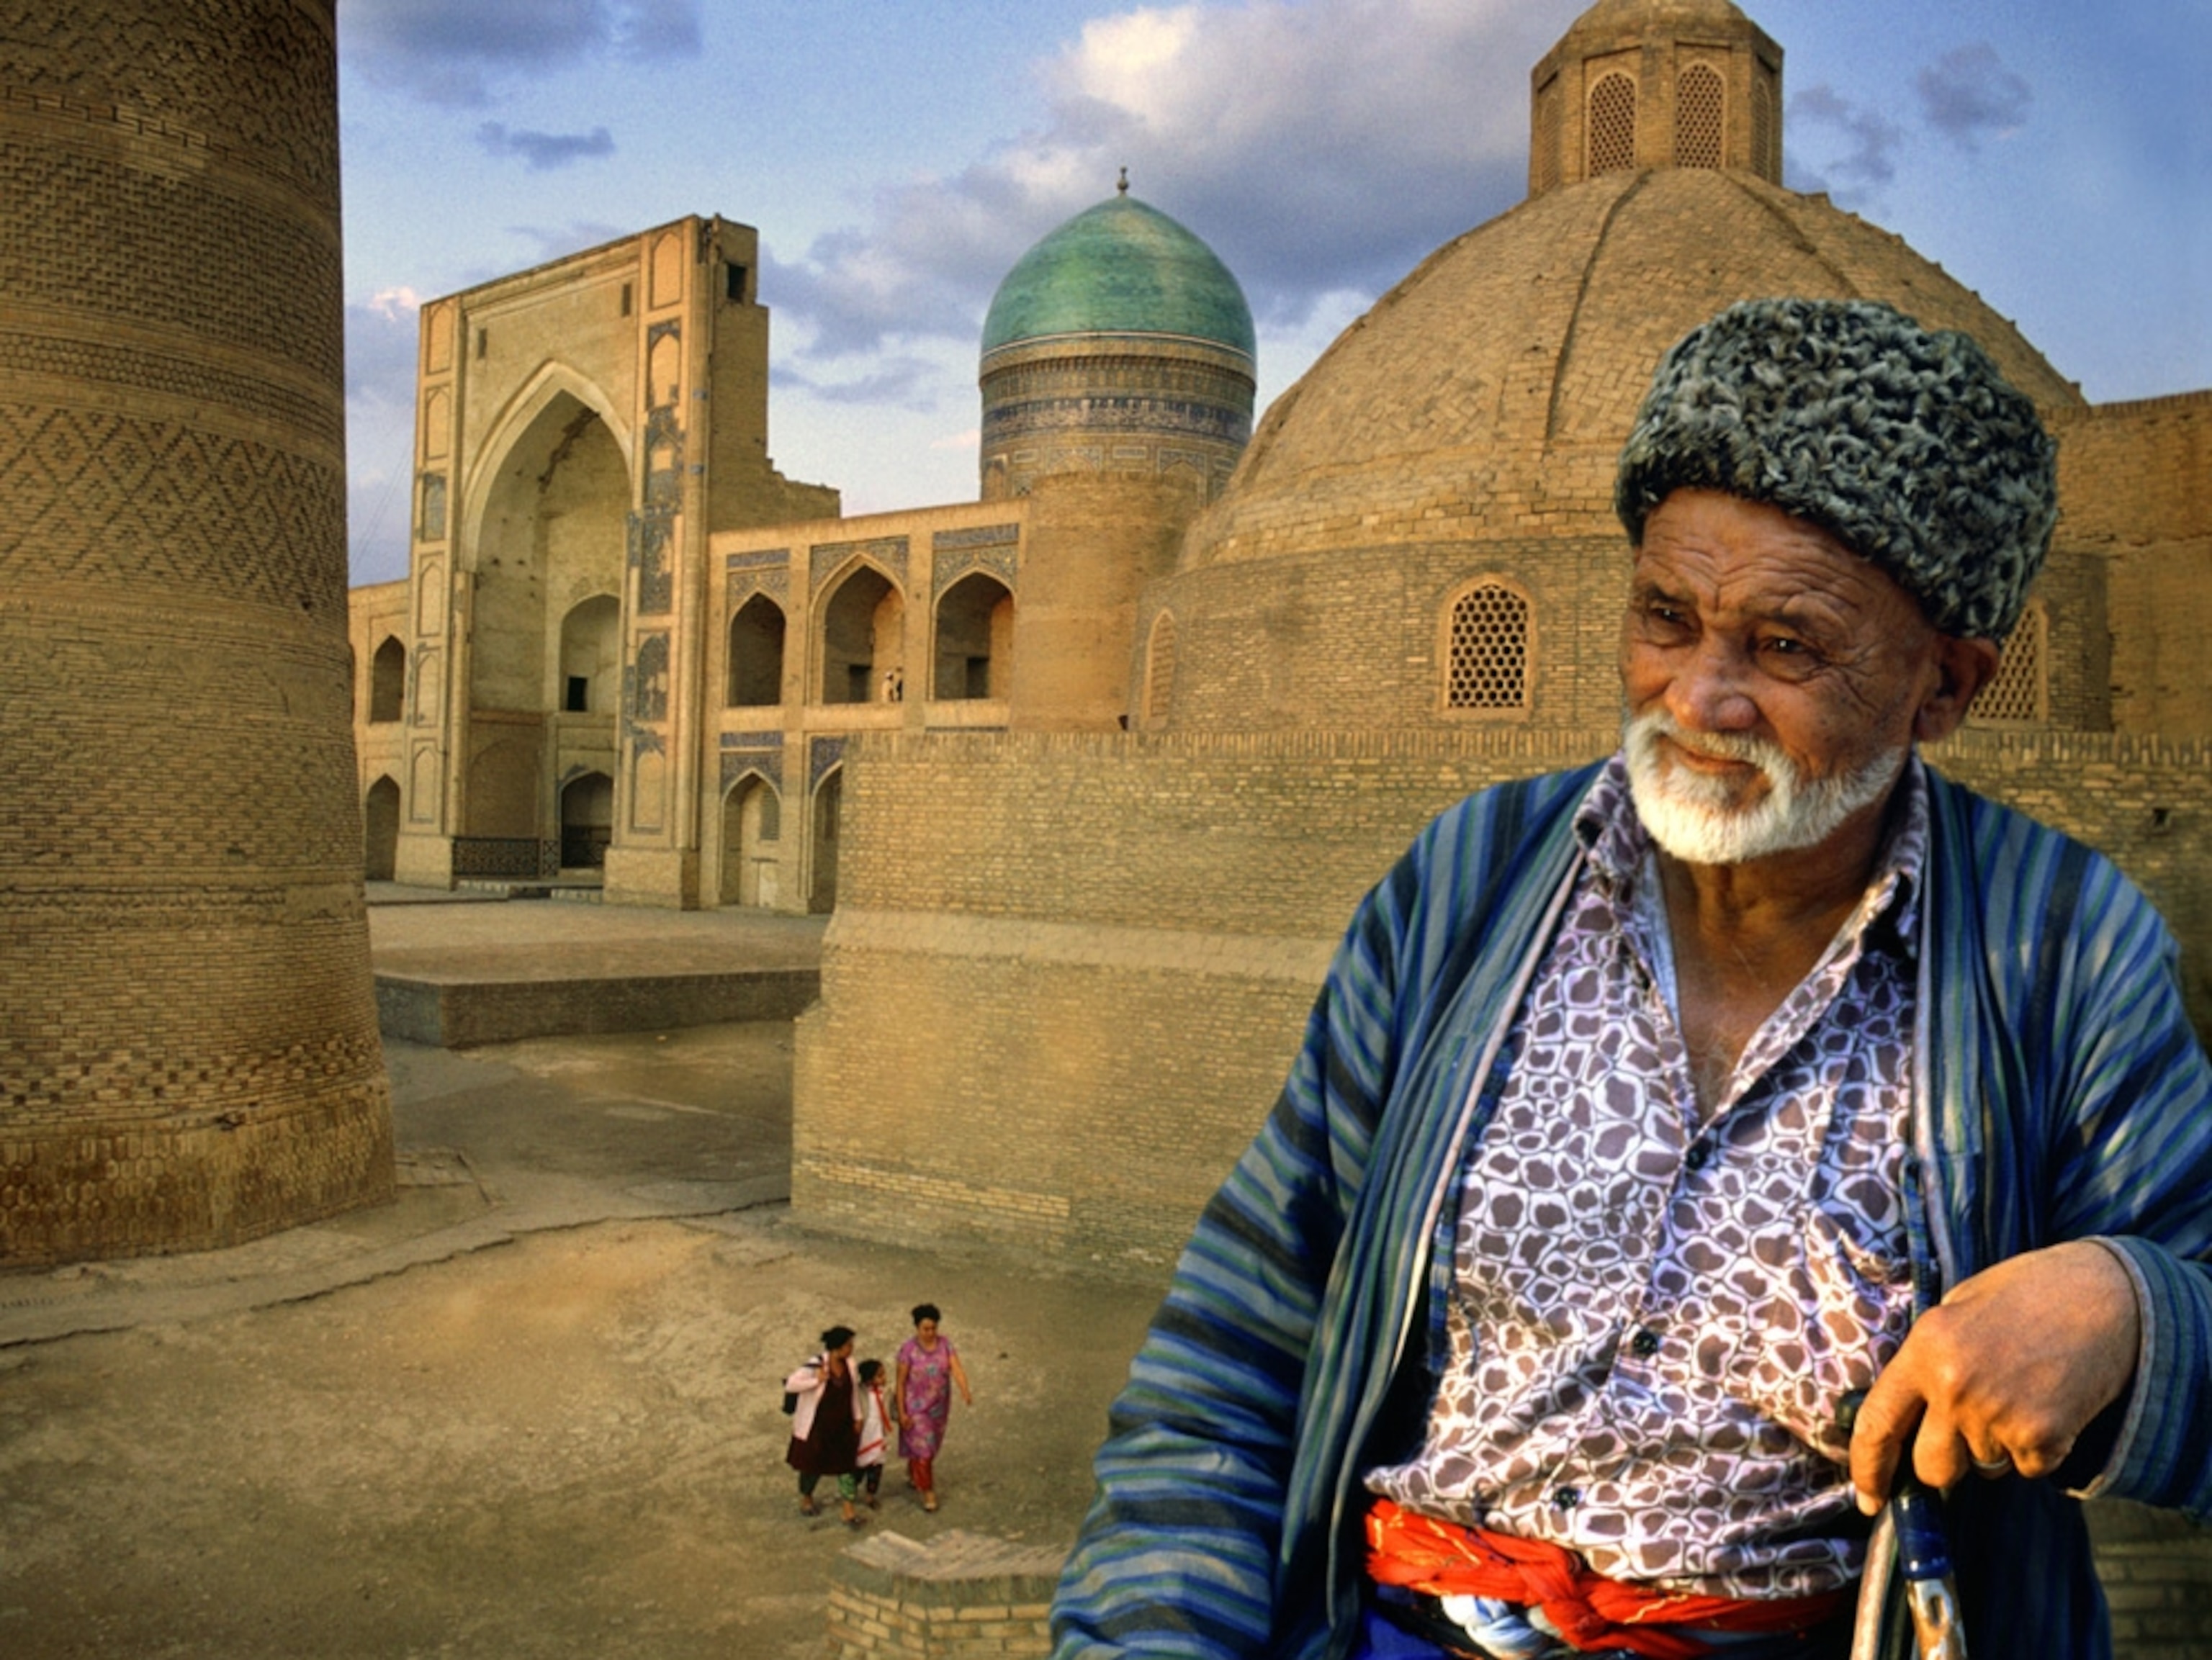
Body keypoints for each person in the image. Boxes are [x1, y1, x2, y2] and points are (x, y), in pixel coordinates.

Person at [1051, 298, 2212, 1660]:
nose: (1698, 698)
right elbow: (1240, 1345)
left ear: (1944, 686)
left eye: (1785, 647)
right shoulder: (1473, 884)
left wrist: (2129, 1313)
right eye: (1666, 618)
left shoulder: (2054, 949)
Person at [784, 1325, 867, 1527]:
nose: (851, 1348)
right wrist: (816, 1381)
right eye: (848, 1345)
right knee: (812, 1466)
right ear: (838, 1347)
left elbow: (853, 1393)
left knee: (847, 1466)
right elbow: (791, 1384)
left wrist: (858, 1417)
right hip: (819, 1427)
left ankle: (848, 1509)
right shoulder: (816, 1365)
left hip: (843, 1426)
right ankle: (807, 1496)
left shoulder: (851, 1364)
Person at [897, 1302, 975, 1512]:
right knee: (925, 1452)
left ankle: (913, 1472)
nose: (930, 1333)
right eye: (926, 1329)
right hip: (916, 1407)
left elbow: (956, 1368)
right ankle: (928, 1492)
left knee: (928, 1446)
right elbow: (901, 1382)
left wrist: (965, 1389)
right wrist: (902, 1411)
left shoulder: (945, 1344)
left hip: (939, 1408)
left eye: (933, 1328)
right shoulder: (908, 1350)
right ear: (917, 1328)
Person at [856, 1358, 891, 1510]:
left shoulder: (887, 1393)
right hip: (864, 1435)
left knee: (876, 1468)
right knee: (858, 1467)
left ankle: (870, 1495)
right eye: (880, 1375)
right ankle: (850, 1494)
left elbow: (892, 1410)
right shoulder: (858, 1393)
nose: (884, 1378)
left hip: (878, 1434)